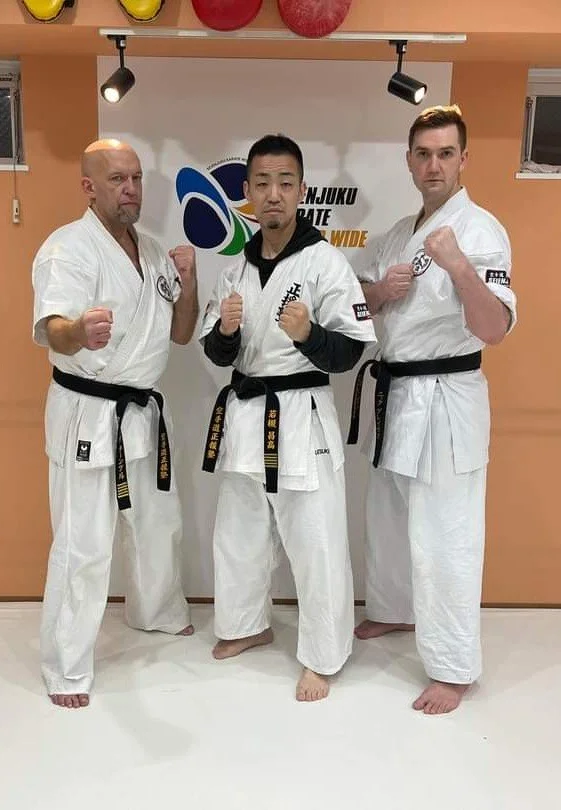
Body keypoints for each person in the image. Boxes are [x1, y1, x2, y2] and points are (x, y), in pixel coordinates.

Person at [350, 105, 518, 714]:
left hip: (447, 398)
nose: (434, 165)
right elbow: (357, 307)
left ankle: (452, 666)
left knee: (446, 531)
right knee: (391, 515)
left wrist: (458, 268)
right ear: (409, 162)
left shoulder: (479, 230)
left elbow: (494, 327)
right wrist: (379, 291)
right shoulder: (397, 233)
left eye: (446, 153)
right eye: (423, 154)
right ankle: (394, 611)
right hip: (398, 394)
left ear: (463, 159)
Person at [199, 134, 376, 702]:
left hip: (301, 415)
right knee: (239, 532)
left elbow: (351, 350)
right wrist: (226, 332)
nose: (273, 195)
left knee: (316, 537)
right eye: (261, 183)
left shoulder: (325, 261)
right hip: (247, 414)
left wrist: (309, 335)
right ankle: (248, 624)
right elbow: (214, 352)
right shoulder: (237, 268)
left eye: (284, 183)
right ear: (247, 192)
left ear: (300, 190)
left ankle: (324, 654)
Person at [32, 139, 199, 709]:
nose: (130, 189)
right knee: (83, 542)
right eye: (117, 180)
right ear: (89, 186)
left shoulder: (152, 252)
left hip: (142, 412)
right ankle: (66, 663)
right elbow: (53, 329)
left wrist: (191, 277)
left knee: (157, 521)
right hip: (88, 410)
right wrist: (81, 332)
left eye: (136, 178)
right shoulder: (67, 250)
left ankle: (156, 611)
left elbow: (181, 332)